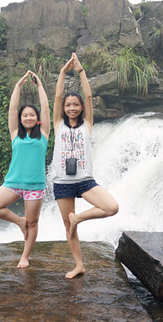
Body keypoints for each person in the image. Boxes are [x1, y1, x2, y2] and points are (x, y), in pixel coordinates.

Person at [51, 53, 119, 278]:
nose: (72, 107)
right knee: (68, 227)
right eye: (69, 105)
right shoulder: (58, 124)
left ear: (81, 108)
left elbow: (89, 96)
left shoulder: (87, 125)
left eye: (76, 105)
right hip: (62, 182)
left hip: (85, 180)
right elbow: (58, 96)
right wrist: (62, 72)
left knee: (111, 207)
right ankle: (78, 265)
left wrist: (80, 71)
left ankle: (78, 218)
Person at [0, 70, 50, 268]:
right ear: (20, 119)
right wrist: (18, 86)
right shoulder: (15, 134)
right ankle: (19, 222)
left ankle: (25, 257)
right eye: (25, 115)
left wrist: (39, 86)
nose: (28, 117)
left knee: (33, 223)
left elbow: (46, 108)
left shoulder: (44, 134)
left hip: (35, 186)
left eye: (32, 115)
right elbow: (12, 109)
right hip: (13, 183)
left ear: (37, 118)